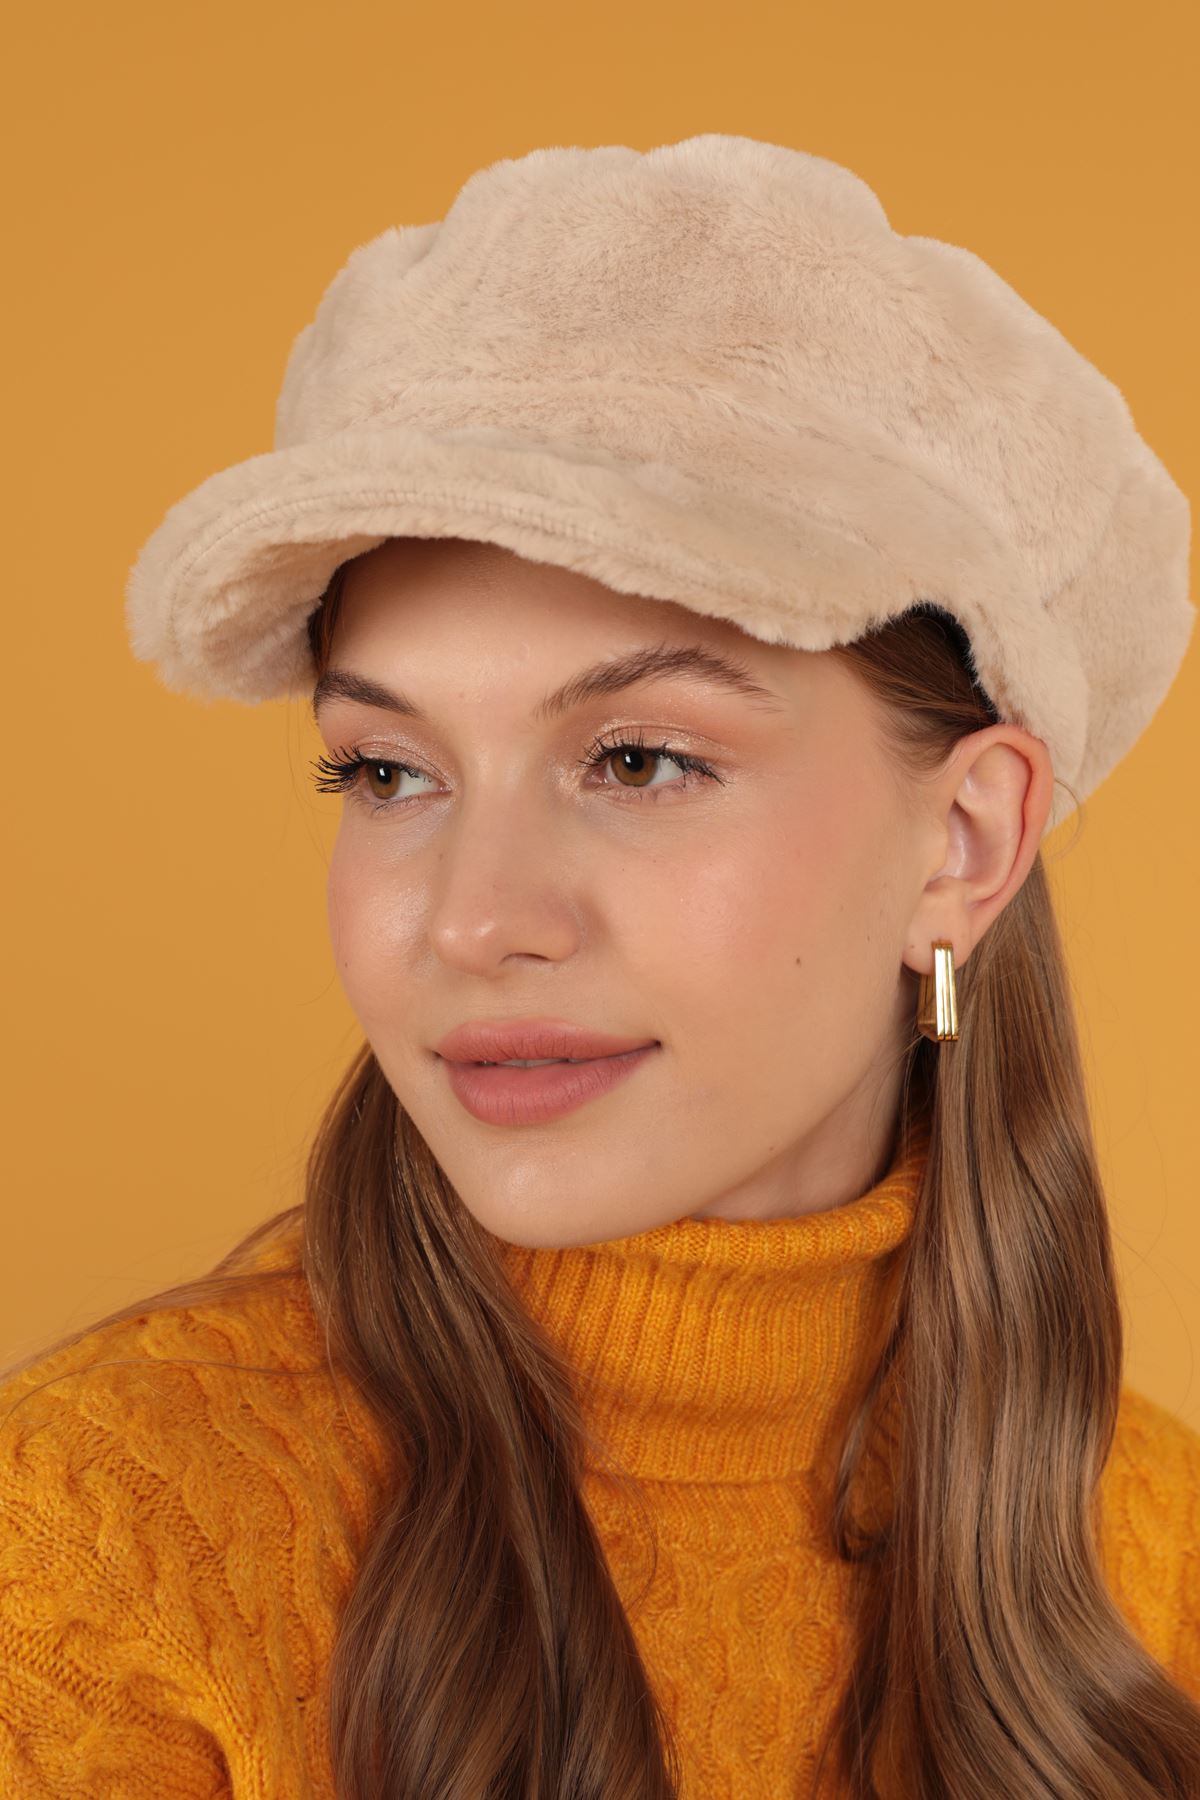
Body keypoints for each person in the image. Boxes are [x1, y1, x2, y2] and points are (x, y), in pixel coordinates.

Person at [2, 134, 1198, 1800]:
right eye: (388, 772)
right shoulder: (90, 1551)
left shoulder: (1158, 1559)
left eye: (637, 759)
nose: (471, 920)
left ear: (964, 842)